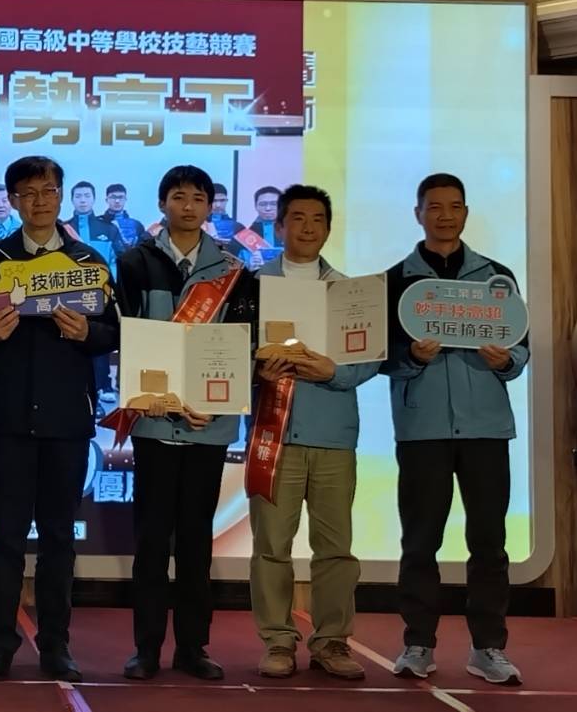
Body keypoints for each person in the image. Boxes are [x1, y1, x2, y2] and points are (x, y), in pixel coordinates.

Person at [0, 156, 119, 683]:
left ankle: (56, 645)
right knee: (6, 537)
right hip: (7, 418)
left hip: (67, 420)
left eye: (48, 191)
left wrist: (87, 334)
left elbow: (114, 332)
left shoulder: (88, 262)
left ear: (61, 196)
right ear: (12, 200)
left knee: (58, 538)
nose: (39, 201)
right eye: (27, 193)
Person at [112, 165, 257, 682]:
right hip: (153, 425)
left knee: (197, 542)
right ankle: (146, 649)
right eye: (179, 197)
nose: (189, 206)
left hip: (206, 428)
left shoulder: (234, 271)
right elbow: (126, 336)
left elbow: (243, 344)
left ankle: (193, 647)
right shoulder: (133, 262)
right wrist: (146, 395)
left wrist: (216, 405)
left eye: (198, 198)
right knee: (152, 542)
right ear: (162, 204)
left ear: (210, 207)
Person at [383, 173, 530, 686]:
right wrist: (411, 356)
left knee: (489, 542)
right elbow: (380, 357)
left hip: (486, 427)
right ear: (418, 213)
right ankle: (418, 644)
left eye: (454, 207)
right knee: (419, 541)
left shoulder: (497, 278)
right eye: (434, 207)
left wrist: (506, 361)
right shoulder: (396, 280)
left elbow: (520, 347)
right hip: (421, 428)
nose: (445, 216)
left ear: (465, 212)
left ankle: (488, 648)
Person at [249, 185, 376, 680]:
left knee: (335, 548)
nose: (307, 227)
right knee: (271, 547)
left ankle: (332, 642)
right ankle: (278, 641)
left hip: (333, 435)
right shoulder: (251, 286)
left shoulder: (350, 292)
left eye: (317, 219)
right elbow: (227, 349)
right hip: (274, 436)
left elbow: (370, 358)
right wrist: (255, 369)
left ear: (327, 228)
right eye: (297, 218)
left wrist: (334, 372)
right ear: (278, 226)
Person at [67, 181, 126, 411]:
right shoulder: (63, 228)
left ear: (94, 199)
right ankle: (76, 387)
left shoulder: (108, 229)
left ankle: (103, 385)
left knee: (98, 338)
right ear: (71, 200)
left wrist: (111, 287)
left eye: (87, 196)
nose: (82, 200)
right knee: (73, 339)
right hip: (71, 295)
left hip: (101, 294)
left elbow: (117, 260)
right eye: (78, 196)